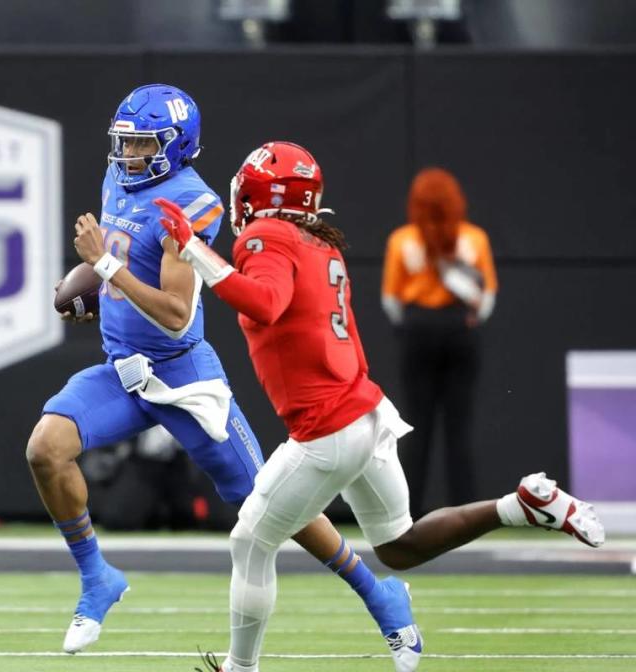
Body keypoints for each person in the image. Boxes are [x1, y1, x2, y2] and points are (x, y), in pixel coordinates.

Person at [157, 141, 605, 672]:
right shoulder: (319, 243)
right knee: (398, 545)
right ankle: (523, 506)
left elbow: (265, 303)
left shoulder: (264, 234)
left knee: (250, 540)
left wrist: (194, 251)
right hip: (366, 411)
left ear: (258, 195)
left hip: (327, 426)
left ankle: (241, 668)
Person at [26, 86, 418, 661]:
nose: (127, 155)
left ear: (174, 147)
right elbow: (118, 266)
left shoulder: (189, 202)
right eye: (125, 143)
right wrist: (87, 290)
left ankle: (378, 592)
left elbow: (176, 314)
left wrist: (103, 265)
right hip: (122, 372)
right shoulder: (119, 181)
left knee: (266, 502)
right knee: (45, 449)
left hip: (184, 378)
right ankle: (97, 578)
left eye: (140, 145)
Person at [381, 168, 497, 518]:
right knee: (459, 429)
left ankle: (407, 516)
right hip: (460, 330)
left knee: (416, 426)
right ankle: (466, 515)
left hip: (418, 330)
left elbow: (391, 301)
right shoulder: (474, 239)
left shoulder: (402, 241)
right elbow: (487, 297)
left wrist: (417, 324)